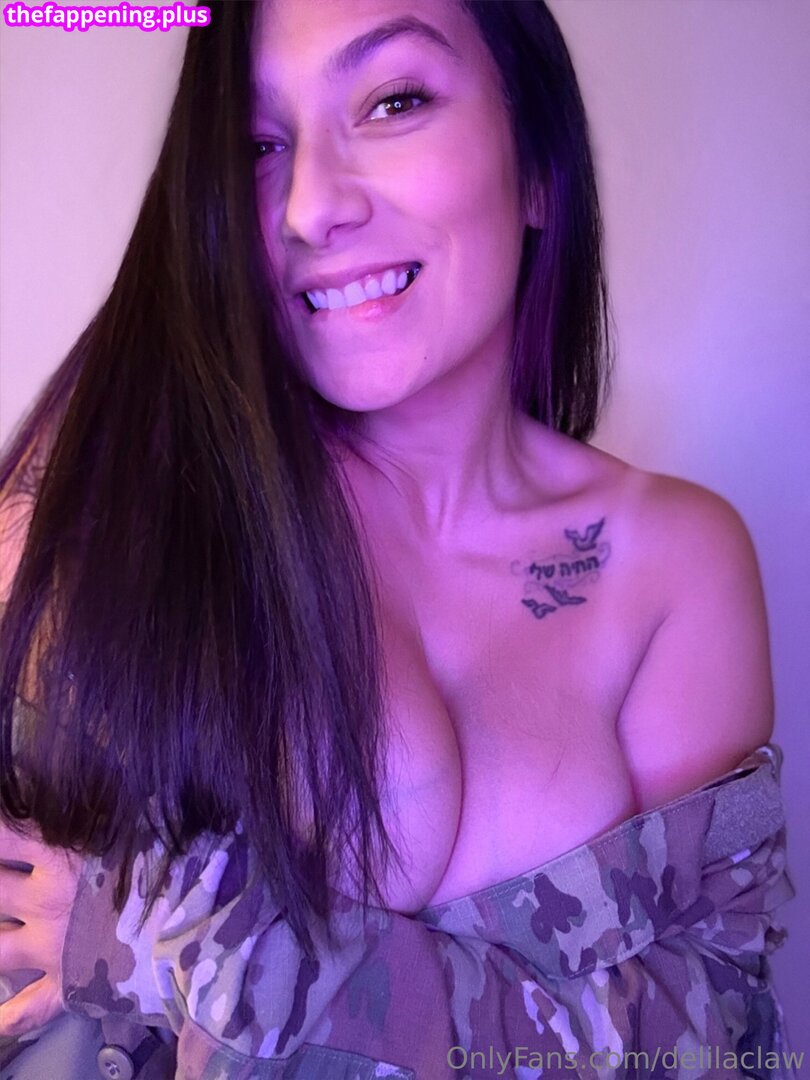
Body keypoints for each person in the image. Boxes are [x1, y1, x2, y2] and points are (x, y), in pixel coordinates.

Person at [0, 0, 796, 1076]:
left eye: (395, 101)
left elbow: (713, 1043)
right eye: (257, 144)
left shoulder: (672, 564)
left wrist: (193, 946)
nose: (311, 206)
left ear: (538, 166)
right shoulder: (132, 499)